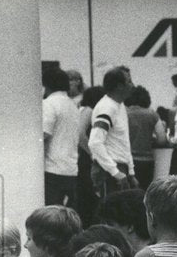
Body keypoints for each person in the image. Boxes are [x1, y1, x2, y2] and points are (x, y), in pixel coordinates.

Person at [88, 66, 139, 198]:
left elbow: (123, 141)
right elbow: (94, 143)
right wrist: (115, 172)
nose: (133, 85)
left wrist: (131, 172)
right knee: (110, 214)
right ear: (119, 86)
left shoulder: (119, 106)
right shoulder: (106, 108)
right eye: (129, 81)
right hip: (109, 172)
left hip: (120, 169)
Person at [42, 67, 81, 207]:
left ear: (45, 85)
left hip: (52, 169)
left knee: (51, 215)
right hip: (70, 168)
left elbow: (44, 135)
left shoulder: (48, 104)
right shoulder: (73, 106)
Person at [74, 86, 106, 226]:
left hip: (81, 156)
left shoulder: (82, 109)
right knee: (88, 194)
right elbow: (81, 134)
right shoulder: (89, 111)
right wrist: (94, 153)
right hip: (85, 157)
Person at [126, 85, 169, 187]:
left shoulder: (124, 113)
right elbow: (162, 139)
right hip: (146, 160)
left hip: (128, 160)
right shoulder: (152, 114)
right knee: (145, 192)